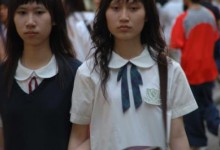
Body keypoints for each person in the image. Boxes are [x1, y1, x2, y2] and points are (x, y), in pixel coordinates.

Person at [68, 0, 198, 149]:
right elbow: (78, 137)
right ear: (105, 14)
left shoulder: (170, 70)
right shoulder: (88, 73)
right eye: (116, 8)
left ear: (147, 14)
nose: (124, 16)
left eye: (133, 8)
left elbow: (177, 135)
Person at [0, 0, 81, 149]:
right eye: (22, 12)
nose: (30, 22)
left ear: (54, 18)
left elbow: (83, 136)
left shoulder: (77, 74)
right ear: (12, 19)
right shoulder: (3, 75)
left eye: (39, 12)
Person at [170, 0, 220, 149]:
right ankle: (219, 123)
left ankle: (199, 143)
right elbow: (215, 37)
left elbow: (174, 44)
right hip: (208, 69)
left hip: (190, 71)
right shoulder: (209, 15)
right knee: (207, 102)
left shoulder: (183, 19)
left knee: (191, 109)